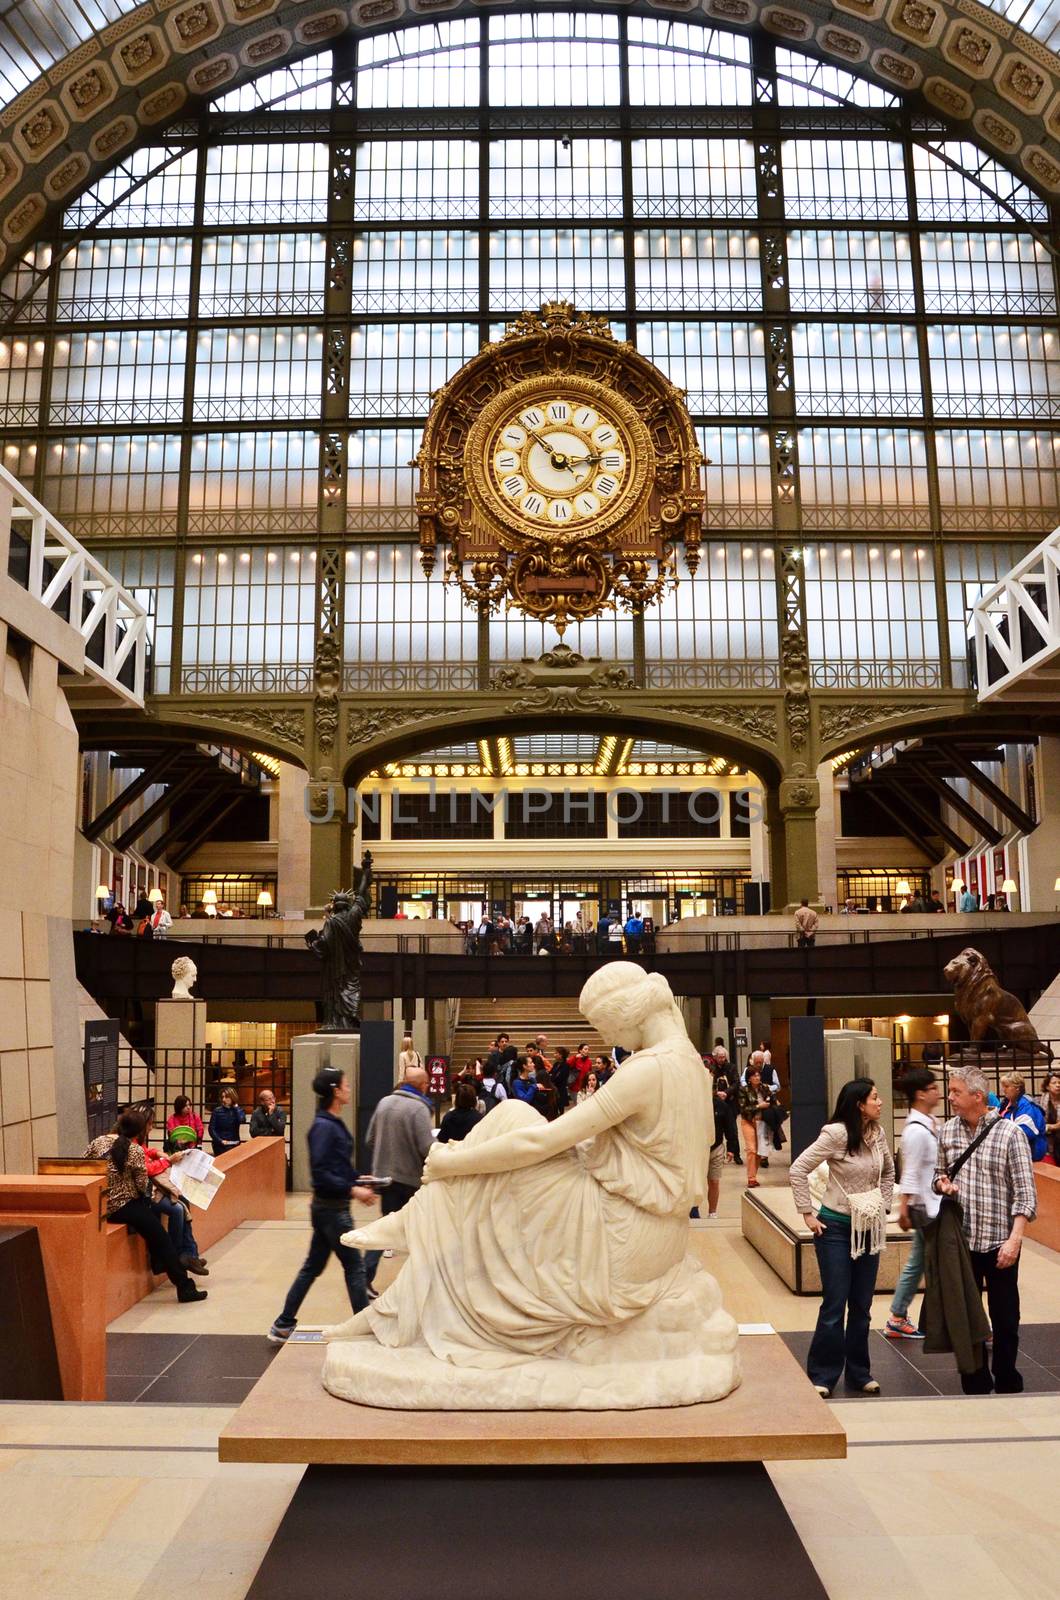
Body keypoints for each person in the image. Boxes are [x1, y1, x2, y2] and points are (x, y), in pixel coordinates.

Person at [934, 1065, 1037, 1393]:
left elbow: (1025, 1193)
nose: (949, 1097)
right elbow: (936, 1174)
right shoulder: (947, 1131)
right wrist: (941, 1184)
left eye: (955, 1092)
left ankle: (1006, 1374)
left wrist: (1015, 1240)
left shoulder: (1010, 1134)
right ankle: (974, 1378)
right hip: (962, 1242)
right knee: (965, 1317)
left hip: (999, 1242)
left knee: (1005, 1316)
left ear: (977, 1097)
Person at [790, 1078, 894, 1397]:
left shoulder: (877, 1134)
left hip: (869, 1229)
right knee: (835, 1305)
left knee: (862, 1305)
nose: (880, 1102)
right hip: (834, 1228)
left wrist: (884, 1204)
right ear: (859, 1104)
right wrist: (807, 1213)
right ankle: (822, 1374)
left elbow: (889, 1171)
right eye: (874, 1098)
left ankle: (859, 1372)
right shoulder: (835, 1134)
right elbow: (798, 1169)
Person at [268, 1069, 378, 1342]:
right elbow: (321, 1173)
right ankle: (362, 1326)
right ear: (335, 1091)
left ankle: (283, 1323)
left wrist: (360, 1179)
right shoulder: (324, 1127)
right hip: (332, 1211)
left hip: (329, 1209)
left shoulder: (331, 1122)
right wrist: (353, 1189)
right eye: (345, 1084)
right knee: (354, 1267)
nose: (349, 1087)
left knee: (312, 1267)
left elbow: (337, 1166)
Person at [86, 1111, 206, 1303]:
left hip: (101, 1203)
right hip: (125, 1206)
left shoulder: (98, 1142)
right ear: (139, 1132)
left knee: (154, 1231)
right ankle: (184, 1288)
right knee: (162, 1238)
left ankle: (160, 1263)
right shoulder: (134, 1151)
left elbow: (85, 1166)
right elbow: (141, 1184)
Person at [362, 1065, 434, 1294]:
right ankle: (424, 1282)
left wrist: (386, 1158)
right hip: (409, 1179)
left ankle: (363, 1278)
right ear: (422, 1085)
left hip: (383, 1177)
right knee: (421, 1230)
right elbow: (426, 1147)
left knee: (385, 1228)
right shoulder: (418, 1108)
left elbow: (370, 1139)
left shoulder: (384, 1103)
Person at [885, 1067, 941, 1340]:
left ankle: (898, 1314)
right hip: (926, 1208)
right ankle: (898, 1315)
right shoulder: (916, 1131)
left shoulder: (930, 1122)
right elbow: (910, 1171)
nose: (938, 1092)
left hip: (932, 1204)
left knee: (918, 1262)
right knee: (935, 1264)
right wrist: (904, 1208)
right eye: (933, 1088)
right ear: (920, 1094)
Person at [137, 1117, 208, 1276]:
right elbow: (147, 1169)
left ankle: (189, 1254)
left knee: (182, 1199)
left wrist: (157, 1153)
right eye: (149, 1125)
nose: (151, 1128)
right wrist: (168, 1160)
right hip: (146, 1194)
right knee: (177, 1209)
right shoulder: (130, 1145)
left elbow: (145, 1151)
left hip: (154, 1187)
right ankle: (176, 1255)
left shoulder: (136, 1143)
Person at [998, 1071, 1048, 1161]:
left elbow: (1024, 1133)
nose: (1003, 1090)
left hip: (1030, 1156)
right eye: (1003, 1086)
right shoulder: (1006, 1103)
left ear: (1017, 1088)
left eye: (1007, 1086)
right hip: (1015, 1154)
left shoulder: (1027, 1105)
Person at [738, 1064, 768, 1187]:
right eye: (754, 1076)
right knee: (751, 1149)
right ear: (749, 1078)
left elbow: (772, 1100)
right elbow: (743, 1108)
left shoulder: (765, 1088)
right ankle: (751, 1178)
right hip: (748, 1121)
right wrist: (758, 1106)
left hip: (762, 1122)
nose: (757, 1077)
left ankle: (753, 1175)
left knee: (760, 1152)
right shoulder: (743, 1090)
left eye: (758, 1075)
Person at [208, 1086, 244, 1157]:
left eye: (226, 1097)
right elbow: (211, 1129)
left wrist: (236, 1108)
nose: (224, 1099)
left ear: (232, 1097)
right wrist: (220, 1140)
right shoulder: (217, 1111)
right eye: (222, 1097)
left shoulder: (238, 1110)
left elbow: (242, 1120)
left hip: (234, 1143)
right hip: (220, 1144)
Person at [1039, 1069, 1060, 1165]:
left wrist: (1049, 1126)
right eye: (1054, 1083)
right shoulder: (1042, 1100)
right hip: (1049, 1141)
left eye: (1059, 1083)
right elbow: (1040, 1121)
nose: (1058, 1085)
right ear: (1047, 1086)